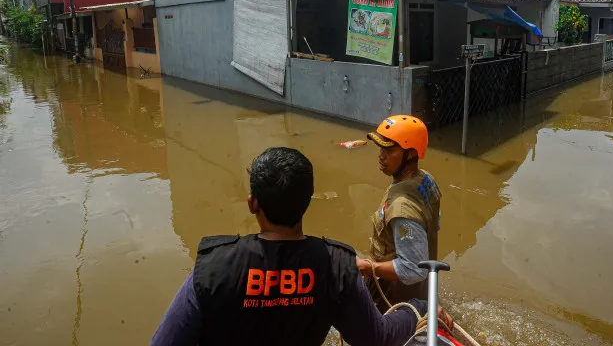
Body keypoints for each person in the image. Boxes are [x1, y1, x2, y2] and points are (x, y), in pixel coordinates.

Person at [151, 147, 452, 346]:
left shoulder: (212, 268)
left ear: (252, 204)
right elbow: (376, 338)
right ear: (308, 203)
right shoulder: (336, 267)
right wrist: (420, 308)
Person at [358, 115, 443, 312]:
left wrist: (367, 267)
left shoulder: (402, 208)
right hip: (420, 291)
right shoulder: (425, 180)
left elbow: (414, 268)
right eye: (380, 148)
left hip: (393, 298)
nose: (381, 155)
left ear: (411, 154)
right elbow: (434, 225)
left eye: (390, 149)